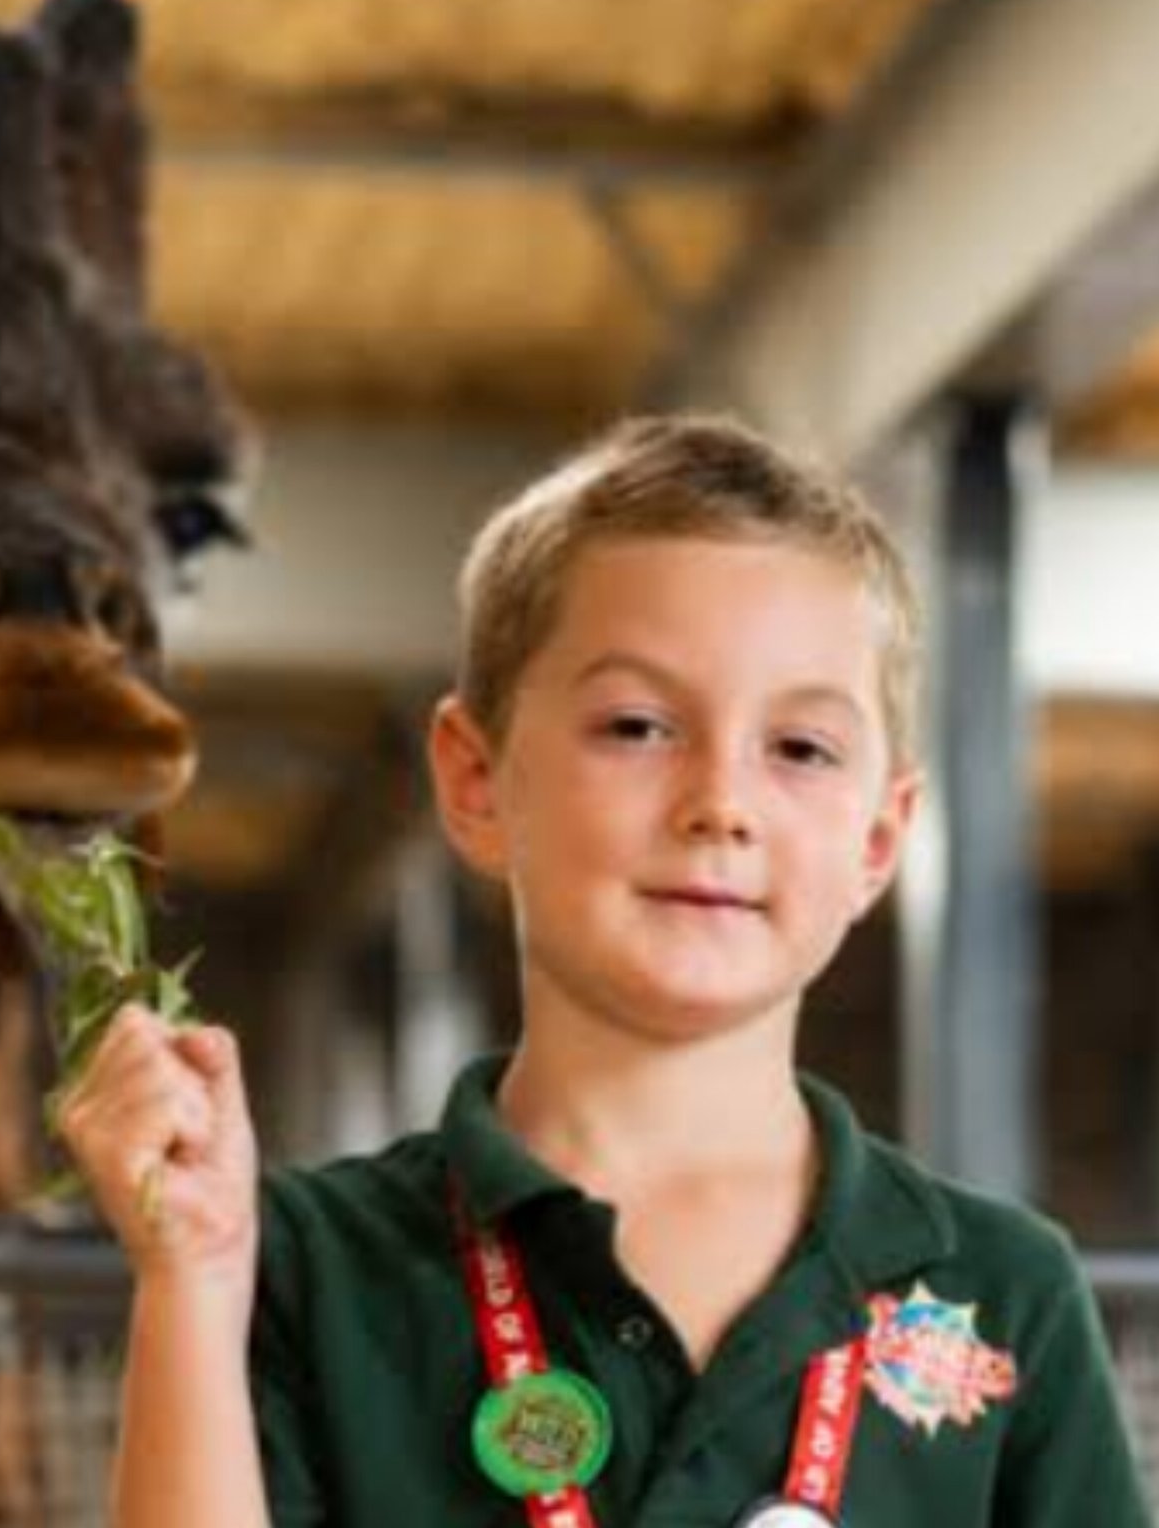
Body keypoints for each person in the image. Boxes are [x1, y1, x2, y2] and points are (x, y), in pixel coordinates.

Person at [59, 414, 1152, 1528]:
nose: (720, 803)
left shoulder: (1001, 1292)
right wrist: (191, 1279)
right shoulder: (300, 1266)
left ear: (879, 839)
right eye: (636, 726)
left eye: (801, 748)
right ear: (477, 781)